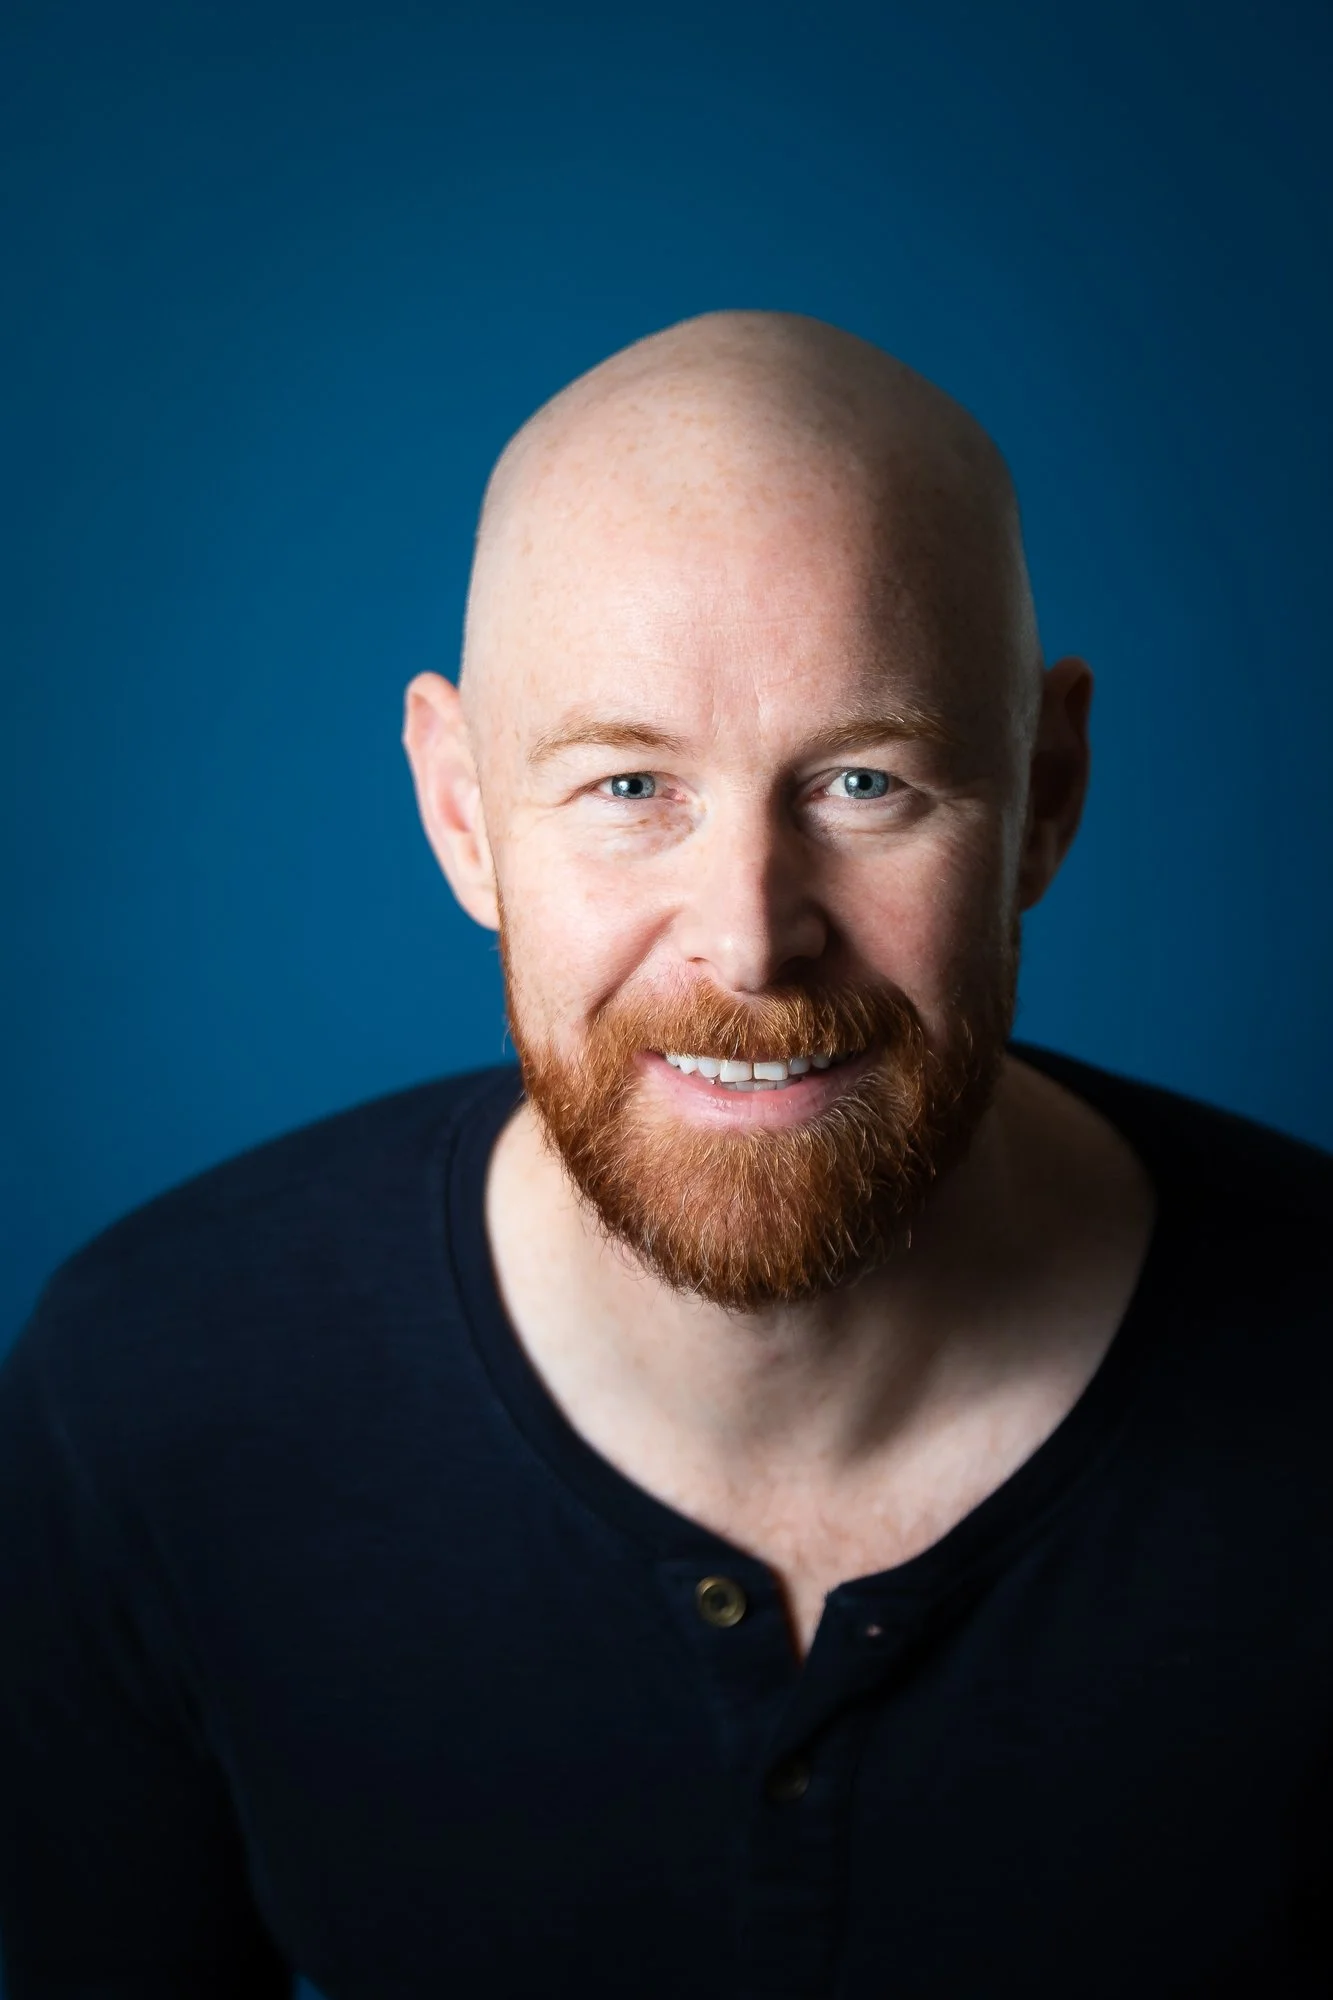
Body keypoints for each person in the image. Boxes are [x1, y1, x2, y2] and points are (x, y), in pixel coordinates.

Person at [1, 311, 1329, 1999]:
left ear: (1045, 796)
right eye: (630, 785)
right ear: (464, 814)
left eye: (864, 780)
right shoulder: (140, 1408)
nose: (753, 942)